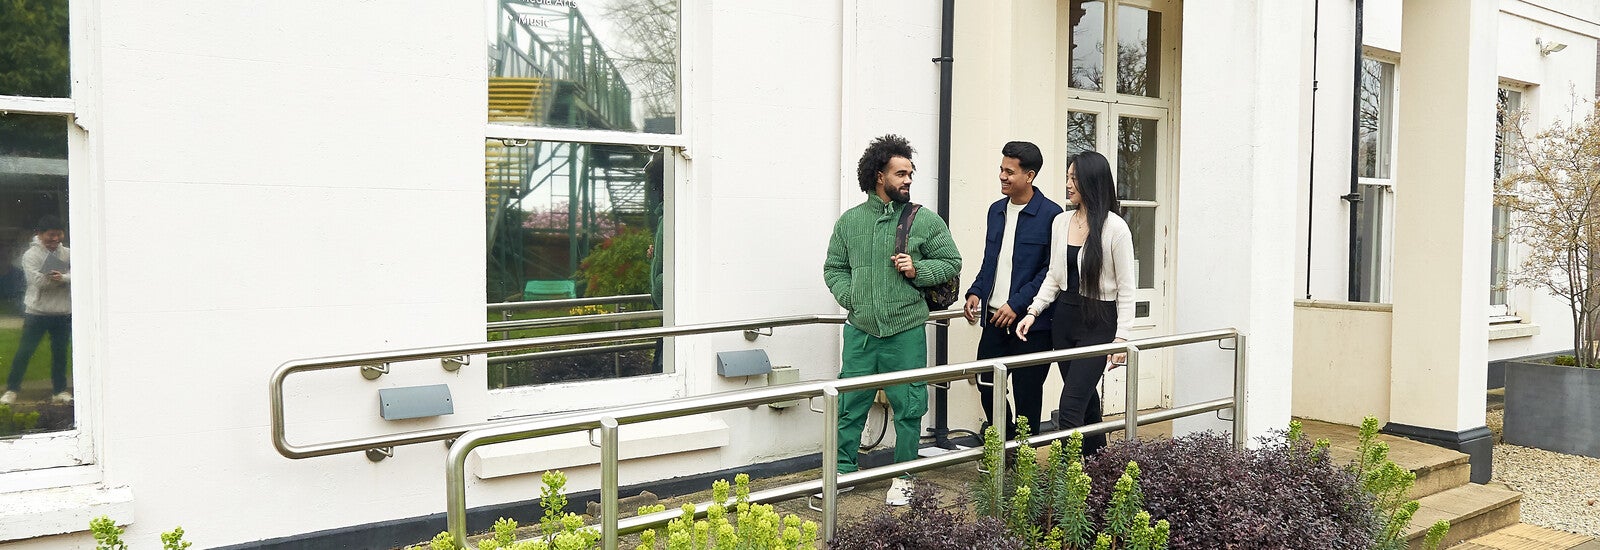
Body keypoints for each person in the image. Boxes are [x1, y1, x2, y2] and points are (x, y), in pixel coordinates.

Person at [823, 134, 961, 505]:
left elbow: (952, 262)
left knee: (910, 407)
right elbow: (834, 268)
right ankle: (843, 471)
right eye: (900, 173)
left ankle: (904, 477)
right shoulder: (849, 222)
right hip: (861, 333)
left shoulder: (924, 220)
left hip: (906, 331)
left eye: (910, 174)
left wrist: (919, 269)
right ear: (878, 175)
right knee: (850, 404)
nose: (907, 180)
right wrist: (853, 298)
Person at [1015, 151, 1134, 456]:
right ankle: (1099, 468)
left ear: (1092, 183)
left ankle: (1069, 486)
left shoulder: (1115, 229)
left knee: (1069, 408)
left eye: (1074, 178)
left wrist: (1121, 338)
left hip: (1099, 321)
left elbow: (1127, 289)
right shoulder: (1061, 221)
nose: (1067, 184)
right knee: (1087, 403)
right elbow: (1054, 276)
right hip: (1065, 320)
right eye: (1067, 177)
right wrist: (1033, 310)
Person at [964, 141, 1063, 440]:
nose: (1002, 176)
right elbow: (990, 261)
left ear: (1029, 175)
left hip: (1031, 326)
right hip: (994, 319)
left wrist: (1017, 304)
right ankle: (1003, 443)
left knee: (1027, 394)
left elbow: (1050, 272)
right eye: (1001, 169)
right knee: (986, 383)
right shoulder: (996, 211)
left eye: (1010, 171)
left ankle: (1025, 458)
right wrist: (975, 291)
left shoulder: (1052, 215)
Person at [2, 216, 73, 405]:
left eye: (58, 234)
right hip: (37, 313)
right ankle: (11, 390)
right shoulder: (30, 256)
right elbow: (38, 282)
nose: (55, 238)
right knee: (24, 352)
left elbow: (80, 274)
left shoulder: (68, 253)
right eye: (51, 235)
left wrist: (63, 278)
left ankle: (59, 391)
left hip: (63, 312)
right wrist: (60, 277)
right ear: (40, 235)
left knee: (60, 354)